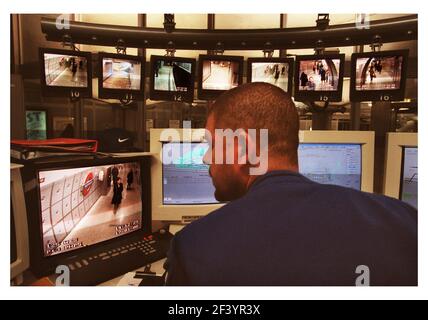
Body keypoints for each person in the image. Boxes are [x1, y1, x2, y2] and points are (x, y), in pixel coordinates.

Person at [165, 82, 417, 286]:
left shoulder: (194, 247)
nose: (206, 157)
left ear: (242, 148)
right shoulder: (405, 220)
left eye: (211, 145)